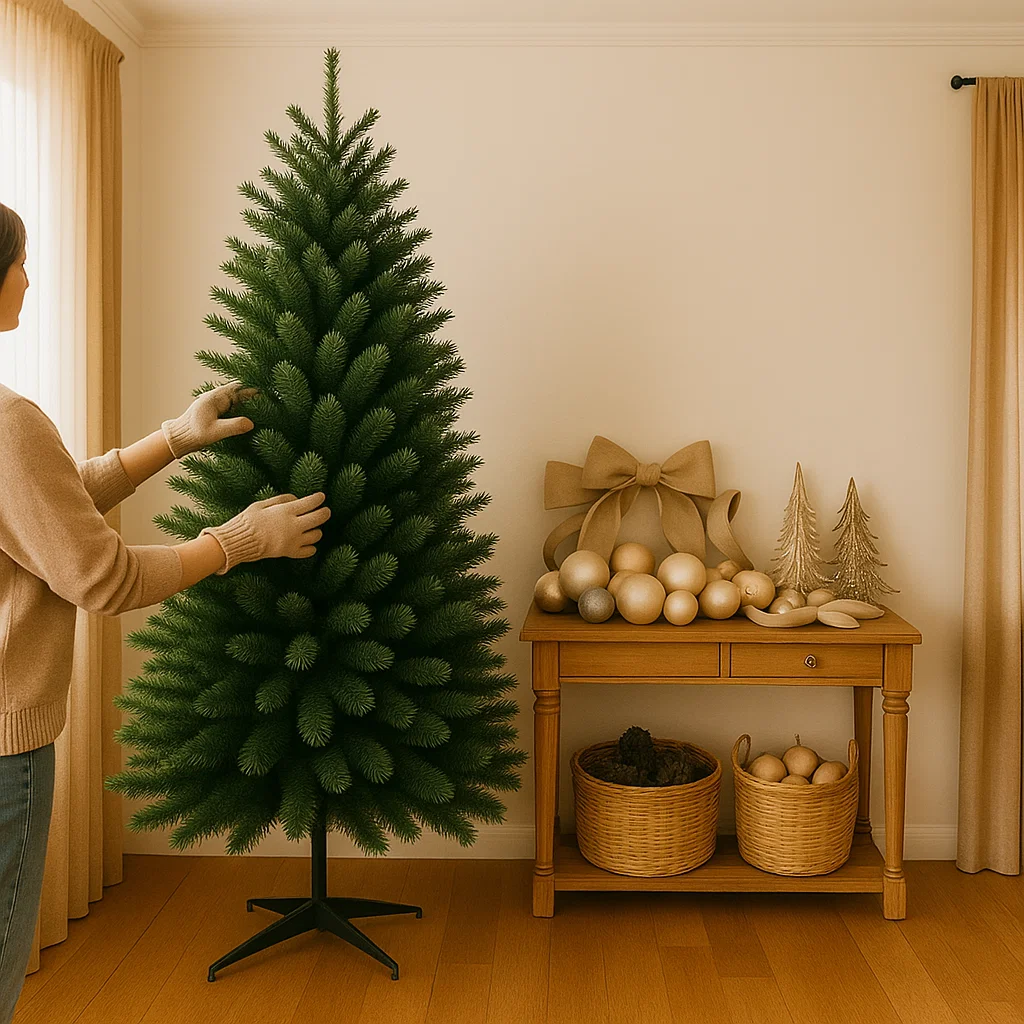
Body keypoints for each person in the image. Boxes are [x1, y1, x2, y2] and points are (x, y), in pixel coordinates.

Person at [0, 201, 331, 1021]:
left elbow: (39, 510)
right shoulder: (7, 422)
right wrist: (237, 541)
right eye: (20, 260)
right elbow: (102, 576)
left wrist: (172, 440)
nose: (30, 277)